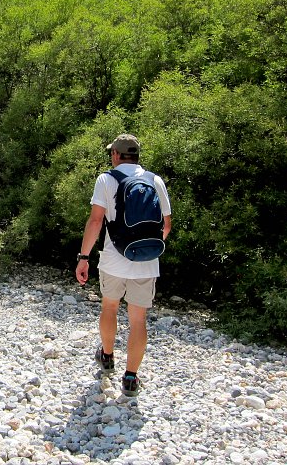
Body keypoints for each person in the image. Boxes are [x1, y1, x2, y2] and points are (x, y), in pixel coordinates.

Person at [75, 133, 172, 396]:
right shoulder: (155, 180)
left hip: (113, 259)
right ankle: (131, 378)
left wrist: (84, 257)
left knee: (109, 306)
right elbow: (166, 225)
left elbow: (96, 222)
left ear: (116, 155)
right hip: (147, 262)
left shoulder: (106, 179)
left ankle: (107, 356)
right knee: (138, 320)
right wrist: (146, 249)